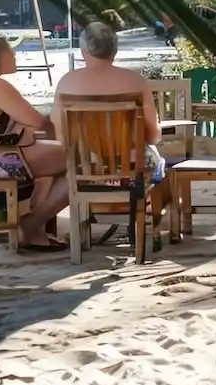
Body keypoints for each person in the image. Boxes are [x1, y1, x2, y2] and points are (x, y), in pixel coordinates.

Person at [53, 22, 168, 238]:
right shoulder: (135, 81)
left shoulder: (67, 82)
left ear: (83, 50)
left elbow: (60, 136)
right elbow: (154, 136)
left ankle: (85, 227)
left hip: (85, 168)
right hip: (132, 169)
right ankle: (145, 224)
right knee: (158, 163)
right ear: (114, 50)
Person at [0, 37, 69, 252]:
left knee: (65, 166)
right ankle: (30, 225)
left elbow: (20, 125)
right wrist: (65, 132)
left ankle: (34, 229)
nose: (15, 55)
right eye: (10, 51)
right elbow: (38, 122)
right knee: (80, 160)